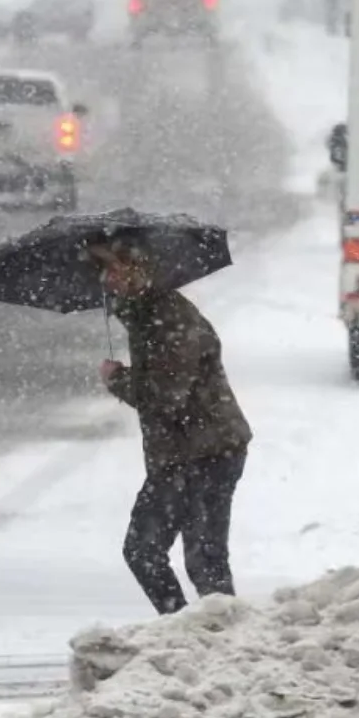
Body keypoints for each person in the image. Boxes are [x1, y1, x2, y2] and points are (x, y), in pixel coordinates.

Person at [90, 240, 252, 615]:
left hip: (202, 451)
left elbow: (166, 396)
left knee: (166, 553)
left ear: (139, 267)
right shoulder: (148, 314)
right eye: (101, 270)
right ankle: (203, 640)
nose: (106, 278)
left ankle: (197, 639)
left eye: (112, 267)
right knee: (193, 557)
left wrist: (117, 380)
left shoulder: (169, 317)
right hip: (190, 451)